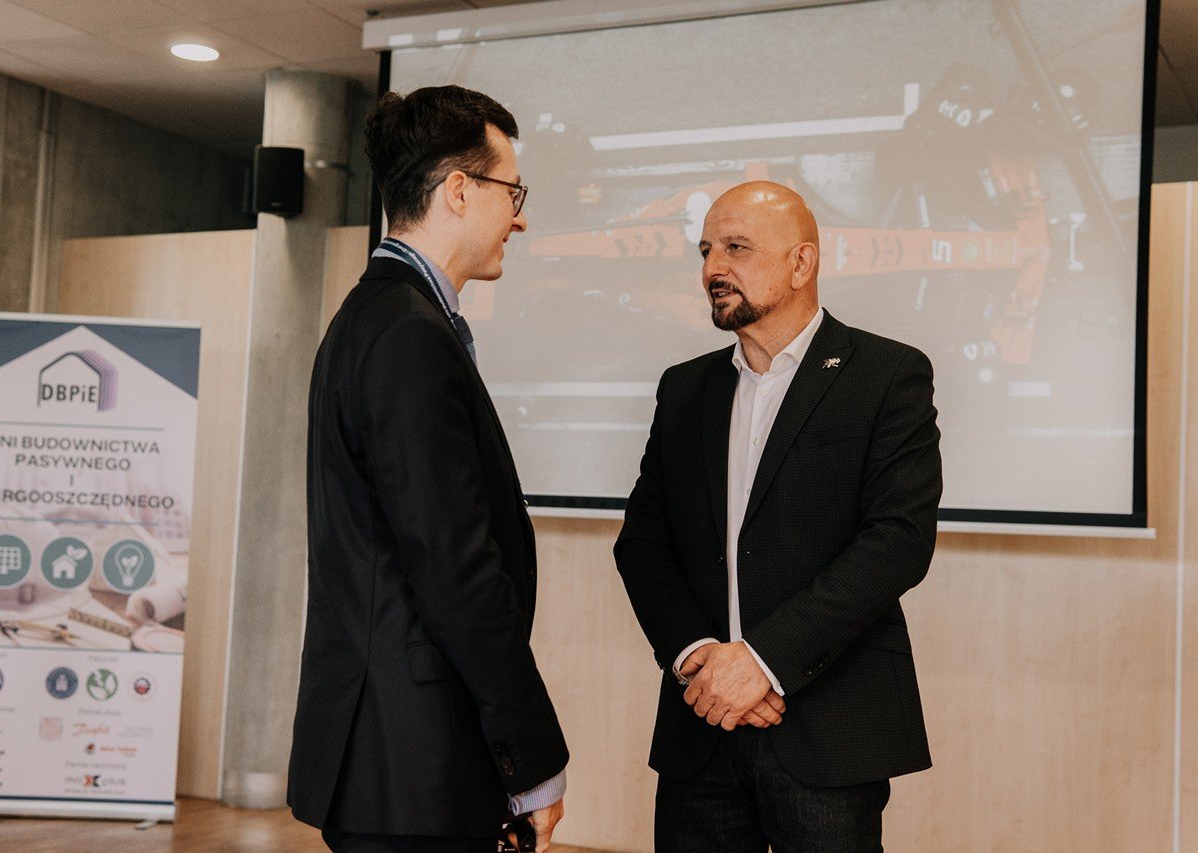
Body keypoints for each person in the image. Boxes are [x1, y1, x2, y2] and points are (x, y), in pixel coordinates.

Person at [614, 181, 942, 852]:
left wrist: (762, 662)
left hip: (827, 730)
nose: (713, 268)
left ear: (801, 263)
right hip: (702, 724)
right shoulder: (685, 388)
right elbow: (642, 543)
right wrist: (698, 659)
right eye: (706, 250)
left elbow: (897, 541)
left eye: (736, 248)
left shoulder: (887, 374)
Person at [288, 85, 568, 853]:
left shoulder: (372, 317)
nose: (519, 217)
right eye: (512, 192)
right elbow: (456, 569)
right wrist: (532, 758)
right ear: (458, 190)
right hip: (410, 763)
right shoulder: (409, 334)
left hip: (391, 758)